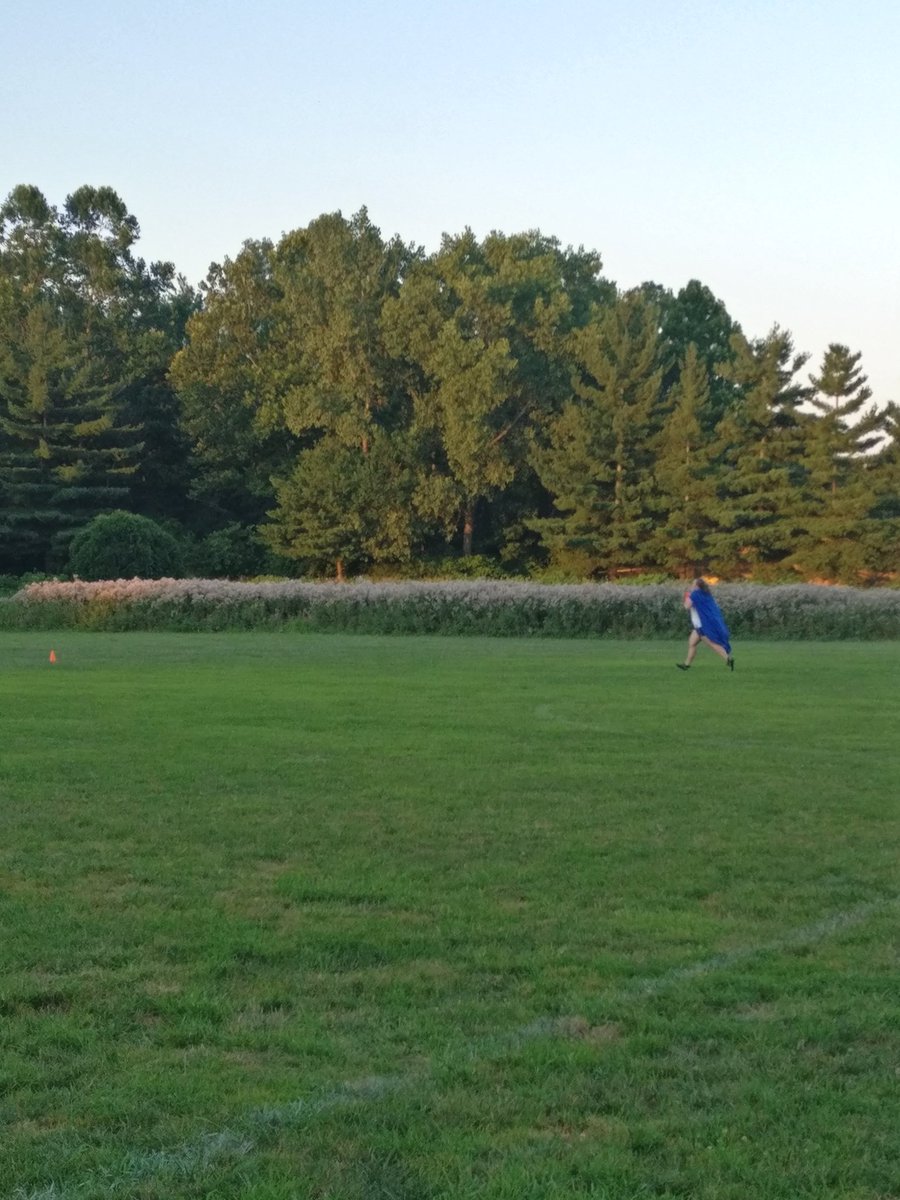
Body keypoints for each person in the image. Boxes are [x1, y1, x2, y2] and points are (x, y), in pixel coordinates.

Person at [676, 578, 734, 671]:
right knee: (692, 643)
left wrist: (687, 597)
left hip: (701, 625)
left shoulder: (695, 594)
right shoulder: (706, 594)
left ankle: (728, 659)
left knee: (712, 644)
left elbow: (687, 606)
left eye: (693, 584)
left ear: (697, 586)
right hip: (699, 625)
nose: (691, 585)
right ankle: (686, 664)